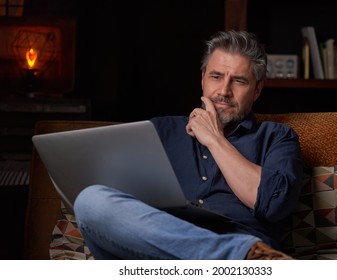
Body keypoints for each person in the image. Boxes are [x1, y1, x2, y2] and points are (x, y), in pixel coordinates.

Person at [74, 30, 303, 260]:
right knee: (90, 201)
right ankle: (236, 255)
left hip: (238, 257)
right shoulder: (160, 131)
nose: (224, 91)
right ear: (202, 79)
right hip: (157, 256)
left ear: (257, 90)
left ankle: (244, 256)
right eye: (216, 77)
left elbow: (274, 204)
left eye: (239, 81)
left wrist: (214, 139)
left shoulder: (277, 137)